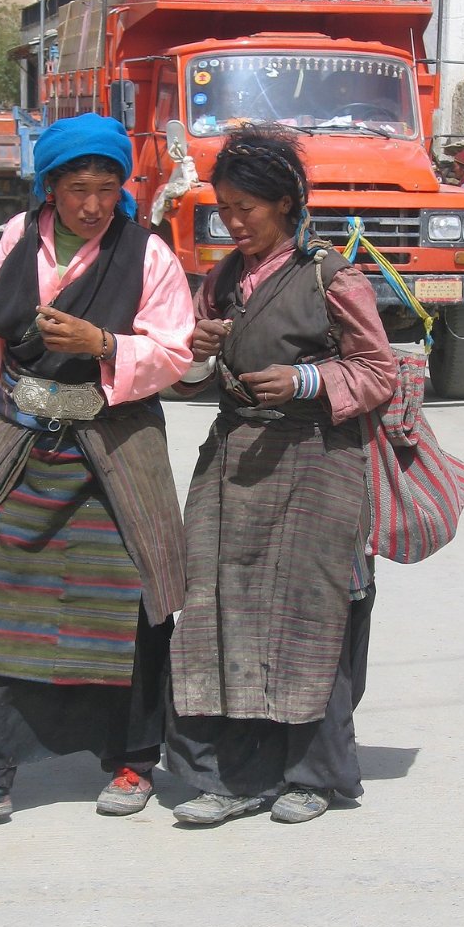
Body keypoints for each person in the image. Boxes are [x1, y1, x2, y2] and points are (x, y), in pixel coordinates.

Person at [0, 114, 195, 825]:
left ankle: (132, 758)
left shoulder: (148, 254)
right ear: (50, 187)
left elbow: (176, 352)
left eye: (107, 188)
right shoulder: (15, 237)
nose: (93, 205)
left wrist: (105, 342)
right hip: (23, 440)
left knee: (128, 600)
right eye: (77, 189)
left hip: (114, 444)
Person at [166, 123, 398, 825]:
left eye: (248, 208)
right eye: (225, 208)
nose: (234, 221)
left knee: (307, 615)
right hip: (234, 459)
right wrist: (200, 351)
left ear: (288, 202)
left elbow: (378, 371)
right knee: (217, 609)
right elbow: (189, 381)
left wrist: (303, 380)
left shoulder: (332, 274)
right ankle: (230, 778)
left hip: (317, 462)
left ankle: (310, 777)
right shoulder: (224, 278)